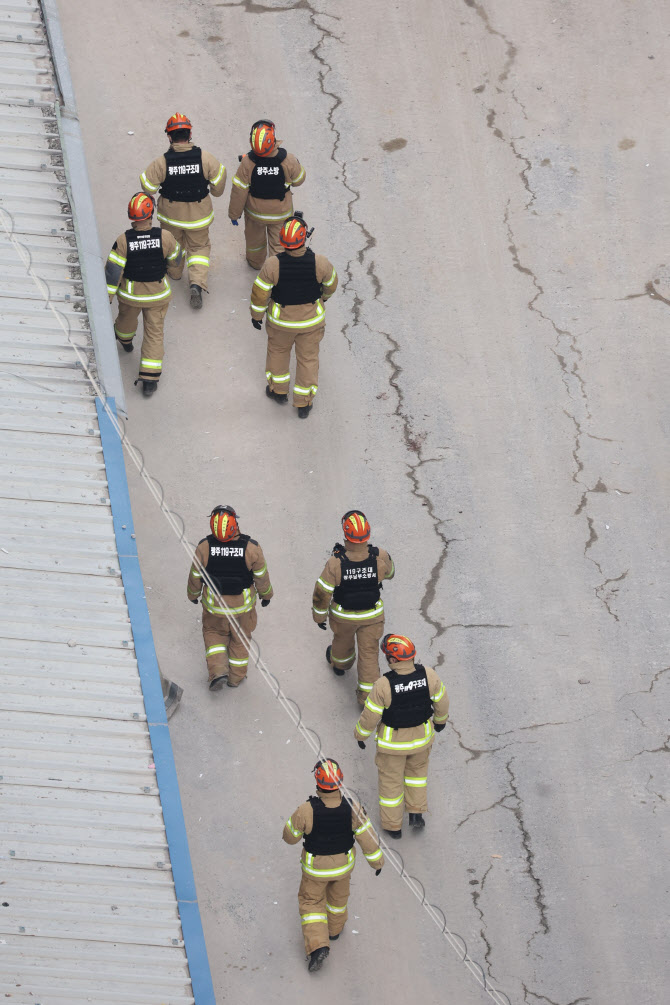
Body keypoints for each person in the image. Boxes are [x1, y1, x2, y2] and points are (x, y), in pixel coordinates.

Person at [283, 758, 384, 973]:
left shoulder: (306, 809)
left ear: (318, 784)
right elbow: (368, 838)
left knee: (311, 903)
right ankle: (334, 931)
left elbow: (289, 837)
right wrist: (377, 862)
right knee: (338, 899)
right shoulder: (352, 808)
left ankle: (318, 947)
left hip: (315, 870)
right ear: (340, 782)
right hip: (343, 867)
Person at [354, 634, 449, 838]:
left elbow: (370, 717)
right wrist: (440, 722)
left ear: (393, 660)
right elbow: (441, 702)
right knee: (417, 778)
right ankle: (416, 814)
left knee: (391, 785)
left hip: (393, 746)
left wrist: (360, 736)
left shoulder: (383, 685)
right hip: (422, 741)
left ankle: (393, 826)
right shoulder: (429, 675)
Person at [250, 214, 337, 417]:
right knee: (308, 359)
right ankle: (303, 403)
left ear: (282, 241)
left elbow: (259, 295)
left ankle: (278, 392)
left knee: (278, 353)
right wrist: (323, 298)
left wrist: (256, 316)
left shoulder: (272, 265)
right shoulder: (320, 263)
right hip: (311, 323)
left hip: (281, 323)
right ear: (304, 238)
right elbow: (331, 285)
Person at [140, 113, 226, 309]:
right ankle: (196, 283)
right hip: (199, 215)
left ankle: (175, 272)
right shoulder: (205, 158)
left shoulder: (162, 162)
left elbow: (148, 187)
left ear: (169, 136)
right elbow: (219, 183)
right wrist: (212, 190)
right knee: (199, 248)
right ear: (190, 134)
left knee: (174, 245)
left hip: (171, 216)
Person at [105, 192, 183, 397]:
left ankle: (125, 341)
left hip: (131, 295)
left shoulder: (123, 240)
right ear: (151, 214)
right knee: (154, 334)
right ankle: (149, 380)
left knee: (125, 319)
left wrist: (107, 298)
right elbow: (176, 258)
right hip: (158, 295)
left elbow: (113, 272)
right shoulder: (164, 236)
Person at [186, 505, 273, 689]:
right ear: (235, 524)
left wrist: (192, 595)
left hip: (214, 608)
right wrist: (266, 595)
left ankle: (218, 672)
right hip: (242, 609)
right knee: (240, 640)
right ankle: (236, 678)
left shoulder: (204, 547)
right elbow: (261, 576)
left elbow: (195, 576)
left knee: (214, 635)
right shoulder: (251, 548)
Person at [312, 511, 394, 704]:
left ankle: (340, 666)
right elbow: (390, 573)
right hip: (372, 616)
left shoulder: (335, 562)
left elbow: (322, 593)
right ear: (367, 533)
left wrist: (319, 617)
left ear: (345, 534)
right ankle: (368, 699)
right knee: (369, 654)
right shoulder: (379, 556)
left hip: (344, 616)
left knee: (341, 643)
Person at [228, 119, 305, 269]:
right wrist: (296, 164)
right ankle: (276, 270)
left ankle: (256, 263)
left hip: (255, 215)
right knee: (279, 245)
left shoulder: (247, 163)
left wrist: (234, 214)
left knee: (255, 243)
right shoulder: (288, 160)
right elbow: (299, 180)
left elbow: (239, 191)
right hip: (280, 214)